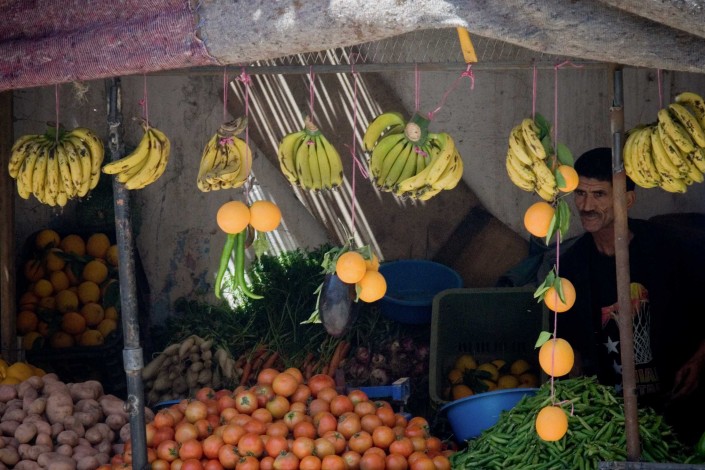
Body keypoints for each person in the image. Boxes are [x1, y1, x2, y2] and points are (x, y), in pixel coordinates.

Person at [553, 147, 705, 445]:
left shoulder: (669, 247)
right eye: (580, 194)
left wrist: (700, 360)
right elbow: (566, 338)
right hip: (614, 414)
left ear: (628, 199)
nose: (586, 205)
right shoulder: (572, 265)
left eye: (599, 194)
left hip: (679, 398)